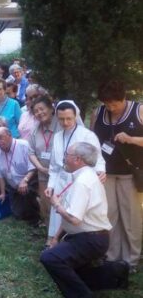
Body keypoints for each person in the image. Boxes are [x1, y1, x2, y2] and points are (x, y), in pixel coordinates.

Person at [40, 142, 116, 297]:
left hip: (91, 239)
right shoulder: (84, 176)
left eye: (67, 155)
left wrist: (56, 204)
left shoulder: (83, 182)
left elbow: (74, 219)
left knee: (49, 258)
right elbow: (71, 214)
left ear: (77, 159)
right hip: (90, 237)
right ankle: (94, 282)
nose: (64, 158)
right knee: (67, 263)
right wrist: (55, 238)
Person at [92, 80, 143, 272]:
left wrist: (130, 139)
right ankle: (112, 256)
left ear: (124, 98)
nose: (111, 108)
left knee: (131, 218)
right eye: (107, 104)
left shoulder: (139, 111)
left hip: (131, 174)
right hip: (106, 174)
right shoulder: (98, 113)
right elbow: (93, 140)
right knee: (109, 216)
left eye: (115, 103)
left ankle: (132, 260)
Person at [46, 101, 105, 246]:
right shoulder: (58, 136)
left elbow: (98, 159)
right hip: (61, 181)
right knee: (58, 214)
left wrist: (100, 171)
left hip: (79, 182)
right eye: (61, 119)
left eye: (69, 119)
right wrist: (50, 185)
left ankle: (74, 247)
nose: (65, 122)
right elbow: (54, 166)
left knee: (75, 215)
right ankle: (54, 242)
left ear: (76, 116)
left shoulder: (87, 135)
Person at [27, 96, 60, 235]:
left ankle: (60, 236)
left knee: (59, 205)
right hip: (43, 174)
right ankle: (49, 234)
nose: (39, 113)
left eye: (42, 109)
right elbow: (31, 152)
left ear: (51, 108)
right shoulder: (35, 130)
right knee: (46, 206)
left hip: (61, 174)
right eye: (36, 111)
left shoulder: (61, 124)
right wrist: (40, 168)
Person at [0, 127, 39, 224]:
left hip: (30, 181)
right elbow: (0, 175)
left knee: (29, 212)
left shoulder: (24, 145)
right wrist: (3, 193)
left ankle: (37, 211)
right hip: (13, 186)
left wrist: (25, 180)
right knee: (17, 214)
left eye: (1, 138)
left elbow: (34, 167)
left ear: (10, 135)